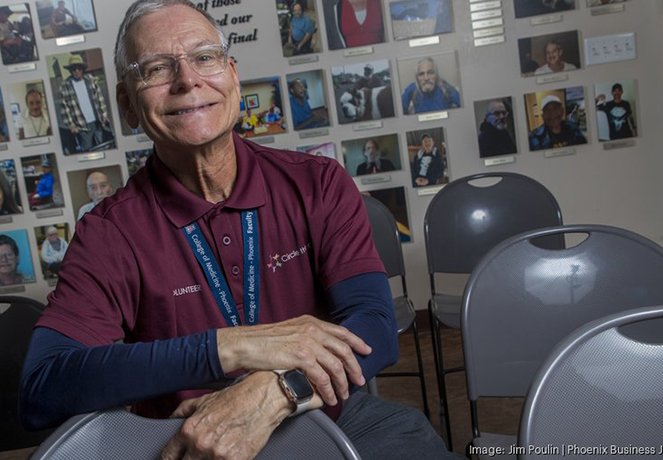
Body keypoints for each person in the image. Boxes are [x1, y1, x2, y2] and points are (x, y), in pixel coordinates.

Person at [19, 2, 458, 459]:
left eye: (204, 57)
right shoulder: (108, 233)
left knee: (413, 439)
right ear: (128, 103)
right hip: (191, 443)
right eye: (156, 68)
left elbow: (376, 330)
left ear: (232, 74)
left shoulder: (318, 183)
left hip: (318, 416)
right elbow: (43, 387)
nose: (188, 80)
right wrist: (231, 347)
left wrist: (273, 393)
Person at [59, 54, 112, 152]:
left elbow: (99, 98)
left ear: (82, 69)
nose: (76, 71)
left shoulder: (90, 80)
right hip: (81, 126)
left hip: (97, 121)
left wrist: (104, 115)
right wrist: (71, 125)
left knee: (104, 147)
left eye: (79, 68)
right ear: (70, 71)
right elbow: (64, 108)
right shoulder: (65, 85)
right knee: (88, 149)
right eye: (74, 69)